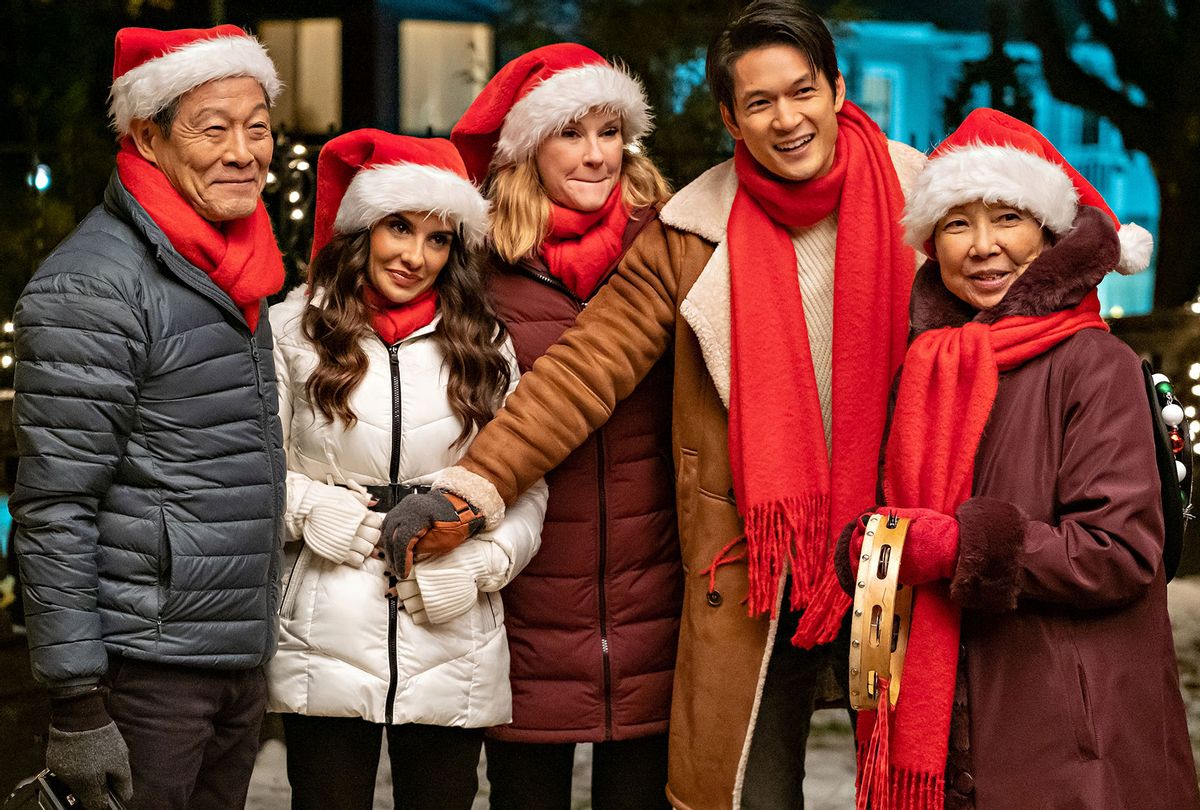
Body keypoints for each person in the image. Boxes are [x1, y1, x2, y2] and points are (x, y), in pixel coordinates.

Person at [378, 3, 926, 807]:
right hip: (755, 557)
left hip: (896, 551)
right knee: (744, 792)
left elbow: (1010, 295)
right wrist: (473, 485)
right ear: (729, 117)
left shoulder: (925, 198)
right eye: (759, 102)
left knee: (909, 777)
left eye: (801, 91)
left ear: (839, 90)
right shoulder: (692, 229)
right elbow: (582, 370)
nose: (787, 119)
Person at [836, 107, 1198, 809]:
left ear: (1047, 231)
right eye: (957, 223)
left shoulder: (1095, 364)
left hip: (1069, 744)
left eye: (1005, 217)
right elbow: (905, 525)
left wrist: (961, 544)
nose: (982, 246)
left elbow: (1118, 551)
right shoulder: (927, 367)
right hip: (953, 733)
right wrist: (874, 545)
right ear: (932, 245)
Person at [11, 25, 285, 810]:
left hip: (229, 658)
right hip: (144, 674)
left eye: (257, 126)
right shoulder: (93, 286)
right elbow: (54, 505)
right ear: (147, 136)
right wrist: (76, 706)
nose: (244, 151)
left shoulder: (234, 266)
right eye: (213, 128)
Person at [264, 129, 548, 810]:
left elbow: (525, 485)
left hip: (451, 623)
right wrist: (305, 509)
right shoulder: (291, 331)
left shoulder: (484, 344)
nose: (415, 256)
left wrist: (481, 569)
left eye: (438, 238)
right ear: (364, 227)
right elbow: (248, 468)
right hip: (321, 632)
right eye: (399, 227)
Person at [445, 44, 679, 810]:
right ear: (528, 149)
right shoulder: (478, 269)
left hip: (654, 601)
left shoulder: (672, 248)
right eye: (570, 133)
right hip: (528, 600)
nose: (594, 155)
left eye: (609, 131)